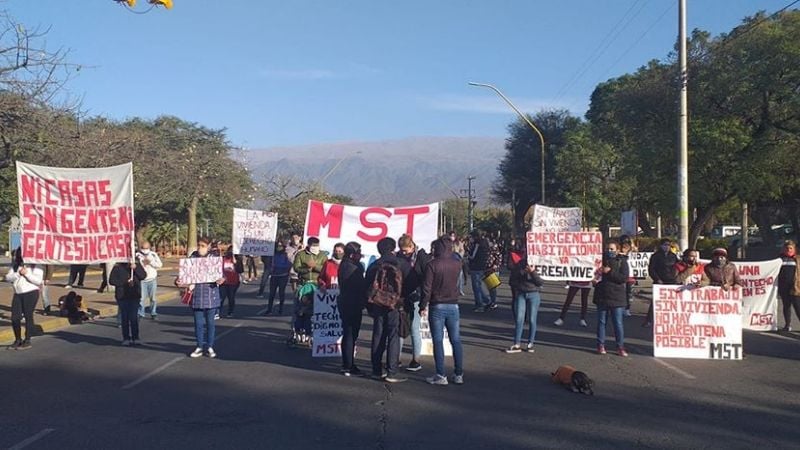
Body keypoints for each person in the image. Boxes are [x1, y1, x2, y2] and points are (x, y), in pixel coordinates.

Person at [420, 237, 464, 386]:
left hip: (437, 304)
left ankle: (440, 374)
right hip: (453, 304)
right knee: (455, 340)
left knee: (438, 341)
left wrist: (423, 305)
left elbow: (427, 288)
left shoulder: (432, 265)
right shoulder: (457, 263)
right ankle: (458, 374)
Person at [365, 237, 410, 383]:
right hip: (395, 304)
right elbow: (412, 282)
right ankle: (392, 371)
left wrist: (369, 305)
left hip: (378, 303)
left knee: (378, 335)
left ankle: (376, 370)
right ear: (393, 248)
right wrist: (402, 298)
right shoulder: (401, 263)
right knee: (393, 336)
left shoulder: (374, 265)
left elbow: (367, 286)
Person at [178, 237, 225, 358]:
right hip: (197, 295)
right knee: (198, 323)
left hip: (211, 295)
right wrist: (179, 281)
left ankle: (209, 346)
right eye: (199, 245)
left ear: (208, 246)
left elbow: (222, 275)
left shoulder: (214, 259)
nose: (200, 248)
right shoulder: (192, 258)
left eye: (203, 246)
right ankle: (199, 346)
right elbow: (184, 275)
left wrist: (221, 279)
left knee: (210, 323)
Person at [397, 234, 431, 372]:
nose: (404, 253)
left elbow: (427, 279)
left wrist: (424, 302)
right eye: (402, 251)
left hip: (416, 296)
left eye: (405, 251)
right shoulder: (399, 256)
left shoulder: (422, 257)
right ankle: (396, 358)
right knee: (400, 328)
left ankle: (416, 360)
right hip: (401, 297)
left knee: (414, 329)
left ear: (412, 246)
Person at [594, 240, 630, 357]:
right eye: (607, 249)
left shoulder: (622, 262)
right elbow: (594, 275)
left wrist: (610, 272)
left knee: (618, 323)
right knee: (601, 322)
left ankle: (620, 346)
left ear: (617, 250)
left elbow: (623, 278)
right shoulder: (599, 260)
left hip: (617, 297)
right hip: (602, 296)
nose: (609, 251)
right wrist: (594, 280)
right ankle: (600, 345)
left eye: (612, 249)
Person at [338, 241, 367, 376]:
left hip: (347, 302)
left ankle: (348, 363)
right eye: (358, 253)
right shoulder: (352, 267)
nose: (360, 255)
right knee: (350, 334)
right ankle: (348, 365)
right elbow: (359, 286)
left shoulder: (346, 265)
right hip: (351, 303)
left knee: (349, 334)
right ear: (351, 255)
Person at [505, 251, 544, 353]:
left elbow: (540, 282)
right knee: (519, 319)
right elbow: (512, 281)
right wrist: (520, 282)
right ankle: (516, 344)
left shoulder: (539, 265)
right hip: (521, 294)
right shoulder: (519, 265)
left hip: (534, 294)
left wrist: (532, 272)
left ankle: (530, 343)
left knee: (532, 319)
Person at [5, 248, 44, 350]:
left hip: (31, 293)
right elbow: (8, 277)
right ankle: (18, 339)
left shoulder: (36, 265)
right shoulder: (16, 266)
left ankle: (27, 340)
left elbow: (38, 281)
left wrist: (27, 273)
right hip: (18, 293)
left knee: (28, 315)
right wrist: (18, 273)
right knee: (15, 318)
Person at [292, 237, 328, 338]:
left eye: (317, 246)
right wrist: (307, 269)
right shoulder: (301, 254)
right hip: (303, 285)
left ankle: (312, 332)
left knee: (314, 311)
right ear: (308, 245)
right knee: (299, 309)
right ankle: (297, 331)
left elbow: (325, 269)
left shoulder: (323, 255)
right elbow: (296, 268)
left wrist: (315, 266)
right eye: (313, 246)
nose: (315, 248)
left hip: (317, 285)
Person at [109, 259, 147, 346]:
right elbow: (112, 280)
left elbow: (143, 276)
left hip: (134, 295)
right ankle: (126, 338)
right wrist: (125, 282)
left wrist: (136, 268)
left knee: (133, 317)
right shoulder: (117, 266)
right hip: (122, 296)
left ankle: (135, 337)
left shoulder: (136, 264)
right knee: (125, 318)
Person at [644, 238, 679, 327]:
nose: (667, 247)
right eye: (665, 245)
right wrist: (657, 279)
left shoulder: (673, 256)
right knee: (655, 301)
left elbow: (677, 267)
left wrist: (676, 278)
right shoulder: (655, 256)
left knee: (671, 302)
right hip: (659, 281)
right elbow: (651, 269)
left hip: (671, 281)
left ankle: (670, 319)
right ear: (661, 246)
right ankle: (649, 320)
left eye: (668, 245)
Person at [136, 241, 163, 320]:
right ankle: (141, 313)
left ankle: (153, 313)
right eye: (143, 248)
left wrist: (150, 262)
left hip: (152, 280)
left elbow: (159, 265)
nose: (145, 250)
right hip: (142, 280)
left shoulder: (153, 255)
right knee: (141, 298)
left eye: (146, 248)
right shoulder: (137, 255)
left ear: (149, 247)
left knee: (153, 298)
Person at [778, 240, 800, 332]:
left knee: (797, 306)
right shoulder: (779, 259)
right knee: (786, 306)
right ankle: (787, 325)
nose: (789, 250)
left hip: (795, 287)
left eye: (791, 248)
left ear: (794, 249)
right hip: (784, 287)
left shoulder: (798, 259)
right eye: (787, 248)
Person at [264, 242, 291, 315]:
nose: (279, 247)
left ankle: (280, 309)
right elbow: (268, 264)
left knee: (281, 293)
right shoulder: (272, 255)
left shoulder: (286, 255)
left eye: (280, 246)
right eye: (278, 246)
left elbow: (289, 264)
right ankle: (269, 309)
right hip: (274, 276)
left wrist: (285, 270)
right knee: (272, 293)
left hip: (283, 276)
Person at [467, 230, 491, 312]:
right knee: (479, 286)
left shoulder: (477, 244)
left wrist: (468, 254)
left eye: (471, 237)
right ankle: (487, 300)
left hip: (476, 267)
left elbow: (472, 256)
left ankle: (480, 304)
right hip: (482, 266)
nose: (470, 239)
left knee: (476, 287)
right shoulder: (485, 243)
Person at [218, 242, 244, 318]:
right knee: (221, 297)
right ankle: (217, 312)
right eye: (230, 250)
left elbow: (240, 270)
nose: (231, 252)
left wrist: (236, 263)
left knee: (231, 297)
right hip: (224, 282)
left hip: (233, 282)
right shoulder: (223, 259)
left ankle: (230, 311)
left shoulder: (238, 260)